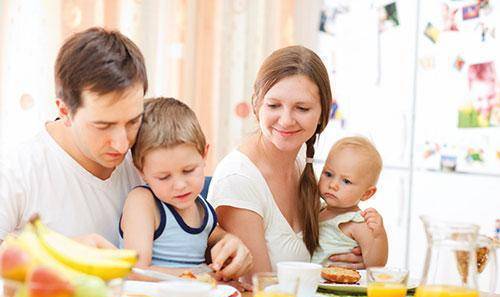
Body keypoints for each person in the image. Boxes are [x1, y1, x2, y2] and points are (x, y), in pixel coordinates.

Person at [0, 28, 251, 281]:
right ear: (65, 111)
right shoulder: (17, 171)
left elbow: (185, 230)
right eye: (103, 125)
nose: (122, 145)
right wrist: (56, 254)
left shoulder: (149, 158)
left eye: (133, 121)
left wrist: (227, 243)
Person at [208, 45, 384, 278]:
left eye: (302, 108)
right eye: (273, 105)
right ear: (256, 104)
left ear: (324, 112)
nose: (286, 120)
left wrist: (356, 248)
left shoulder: (301, 161)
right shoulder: (238, 180)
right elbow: (258, 288)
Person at [119, 98, 252, 279]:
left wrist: (228, 250)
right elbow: (135, 271)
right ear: (141, 171)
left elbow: (216, 238)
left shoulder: (203, 209)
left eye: (189, 170)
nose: (180, 185)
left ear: (204, 154)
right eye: (164, 177)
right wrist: (202, 277)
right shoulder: (143, 202)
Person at [311, 136, 388, 267]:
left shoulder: (357, 222)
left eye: (346, 181)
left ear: (366, 193)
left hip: (340, 285)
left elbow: (375, 265)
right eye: (328, 174)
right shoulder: (318, 210)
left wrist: (379, 236)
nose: (333, 185)